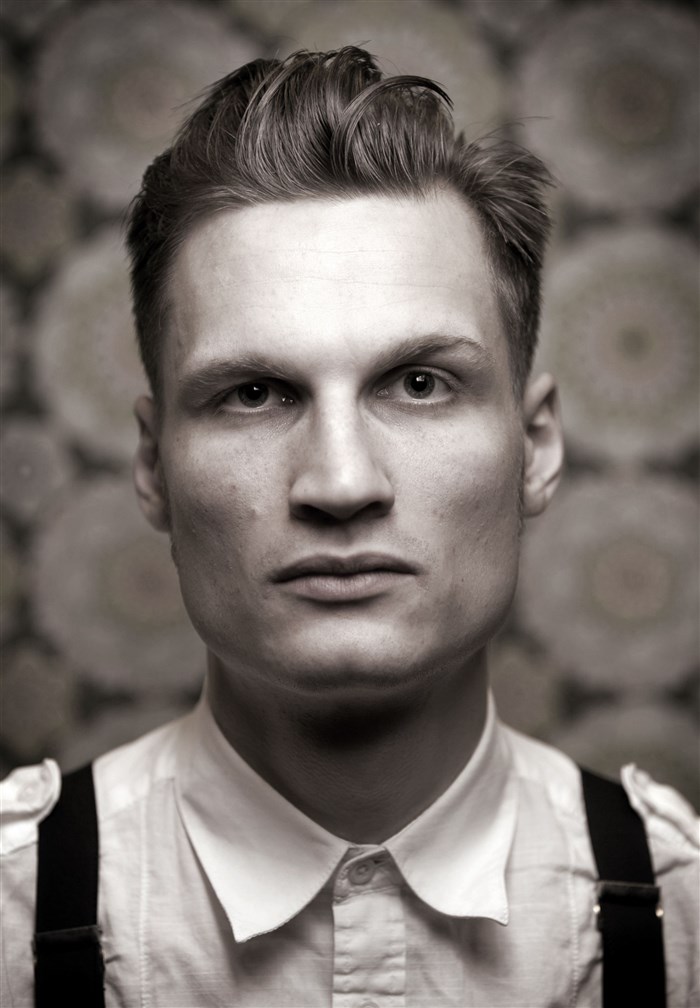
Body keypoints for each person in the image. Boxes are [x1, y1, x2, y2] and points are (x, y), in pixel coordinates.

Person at [1, 47, 697, 1008]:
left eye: (419, 384)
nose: (340, 483)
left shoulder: (685, 917)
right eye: (254, 393)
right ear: (154, 466)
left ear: (534, 446)